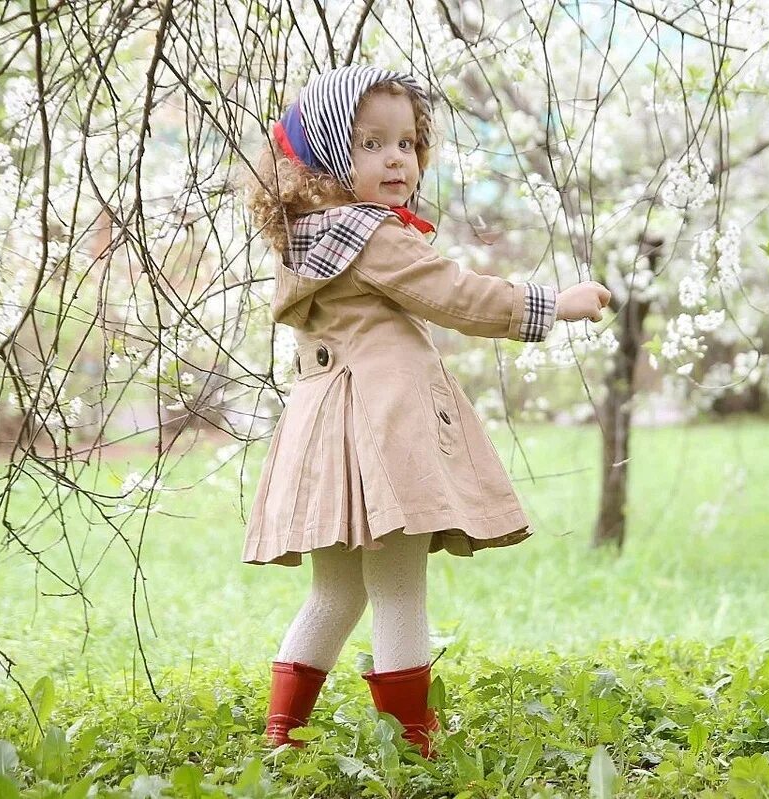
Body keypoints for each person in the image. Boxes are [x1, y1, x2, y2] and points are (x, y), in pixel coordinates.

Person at [237, 64, 611, 758]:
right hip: (383, 437)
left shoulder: (311, 238)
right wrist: (553, 304)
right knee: (400, 590)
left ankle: (283, 738)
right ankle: (414, 743)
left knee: (336, 594)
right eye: (371, 144)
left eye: (406, 143)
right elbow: (456, 295)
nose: (396, 159)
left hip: (327, 442)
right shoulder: (370, 235)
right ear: (324, 156)